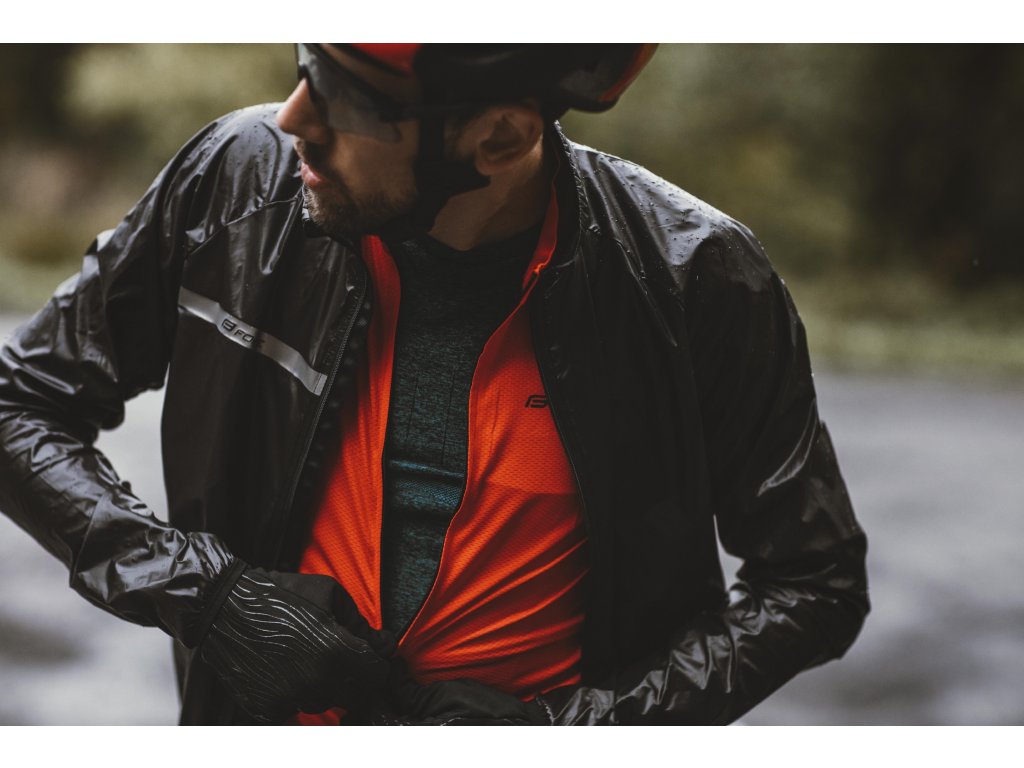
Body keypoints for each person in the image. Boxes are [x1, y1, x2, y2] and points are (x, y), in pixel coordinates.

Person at [0, 43, 869, 725]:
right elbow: (17, 403)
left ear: (499, 138)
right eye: (306, 62)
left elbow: (814, 583)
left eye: (348, 101)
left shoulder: (693, 278)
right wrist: (207, 597)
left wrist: (576, 734)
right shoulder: (232, 183)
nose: (295, 118)